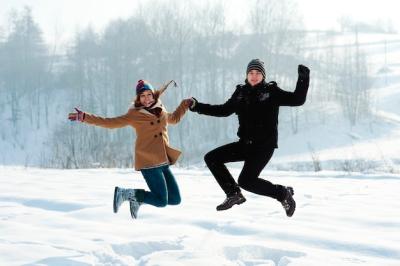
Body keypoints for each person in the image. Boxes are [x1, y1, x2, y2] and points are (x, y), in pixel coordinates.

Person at [189, 59, 310, 217]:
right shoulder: (240, 93)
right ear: (246, 75)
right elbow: (223, 110)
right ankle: (233, 194)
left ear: (263, 75)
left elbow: (297, 100)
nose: (254, 76)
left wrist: (303, 78)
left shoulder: (271, 92)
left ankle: (283, 194)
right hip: (244, 145)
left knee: (247, 181)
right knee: (212, 158)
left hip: (263, 147)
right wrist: (197, 106)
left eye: (258, 73)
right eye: (251, 73)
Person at [68, 80, 192, 219]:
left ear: (153, 95)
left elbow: (173, 119)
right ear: (138, 98)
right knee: (161, 201)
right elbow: (110, 123)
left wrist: (184, 105)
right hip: (148, 162)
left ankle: (137, 199)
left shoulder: (160, 109)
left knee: (175, 199)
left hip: (163, 160)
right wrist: (85, 117)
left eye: (149, 94)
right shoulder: (135, 114)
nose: (146, 99)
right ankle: (125, 193)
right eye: (142, 96)